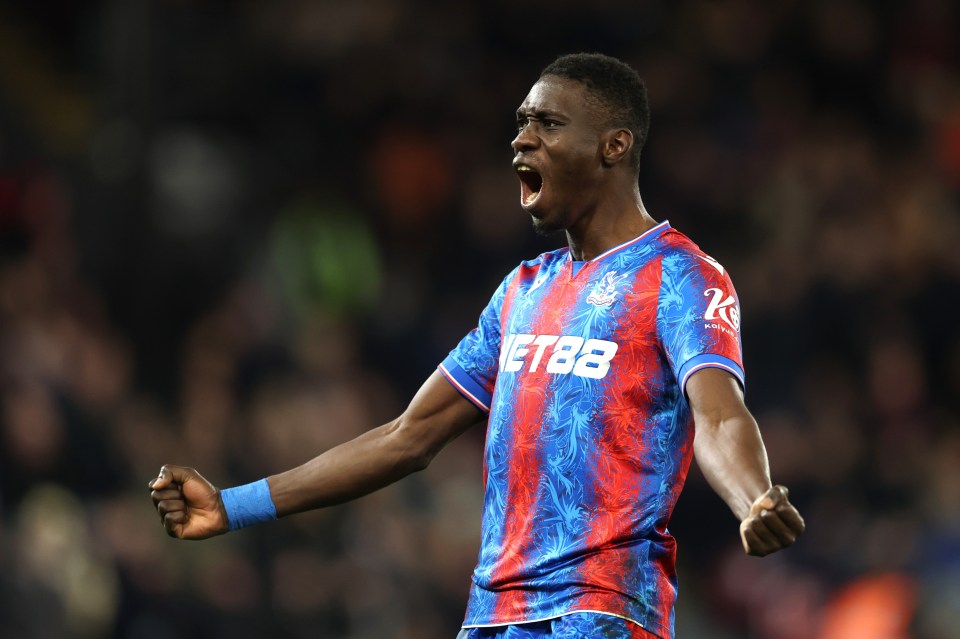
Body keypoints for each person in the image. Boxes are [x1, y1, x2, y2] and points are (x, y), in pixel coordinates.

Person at [150, 52, 805, 639]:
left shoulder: (680, 275)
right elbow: (407, 436)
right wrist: (233, 505)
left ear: (613, 145)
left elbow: (718, 412)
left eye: (547, 123)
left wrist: (754, 496)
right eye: (521, 121)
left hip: (601, 613)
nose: (521, 137)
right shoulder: (523, 290)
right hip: (493, 617)